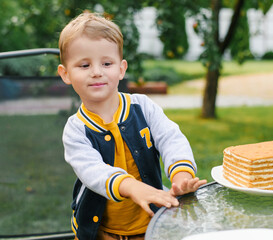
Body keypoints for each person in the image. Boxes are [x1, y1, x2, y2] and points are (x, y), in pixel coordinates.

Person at [57, 12, 207, 240]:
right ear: (65, 74)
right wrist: (132, 187)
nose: (97, 71)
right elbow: (93, 172)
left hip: (153, 228)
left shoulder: (143, 107)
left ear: (121, 68)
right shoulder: (76, 129)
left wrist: (181, 176)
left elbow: (171, 139)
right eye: (84, 65)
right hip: (101, 233)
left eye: (106, 63)